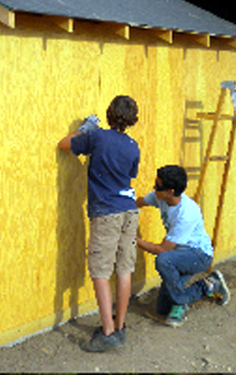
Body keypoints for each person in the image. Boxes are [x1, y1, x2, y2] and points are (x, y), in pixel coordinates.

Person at [58, 95, 140, 352]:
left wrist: (84, 129)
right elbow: (127, 174)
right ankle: (120, 326)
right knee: (124, 269)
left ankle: (107, 333)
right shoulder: (133, 146)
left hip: (106, 213)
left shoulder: (98, 137)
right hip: (129, 210)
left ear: (109, 113)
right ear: (132, 119)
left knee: (101, 272)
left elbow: (64, 145)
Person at [136, 165, 230, 327]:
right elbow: (138, 202)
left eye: (158, 186)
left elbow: (162, 250)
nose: (154, 187)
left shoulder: (186, 213)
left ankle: (181, 302)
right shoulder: (159, 196)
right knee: (162, 308)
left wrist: (133, 240)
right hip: (178, 256)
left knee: (163, 260)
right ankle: (209, 284)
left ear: (170, 191)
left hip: (198, 255)